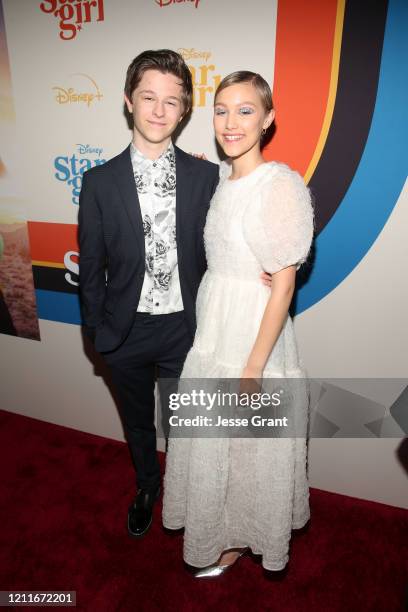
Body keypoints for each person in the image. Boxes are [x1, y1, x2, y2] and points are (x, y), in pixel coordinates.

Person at [162, 71, 314, 575]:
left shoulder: (282, 184)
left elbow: (284, 284)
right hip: (216, 327)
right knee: (218, 444)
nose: (231, 122)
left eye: (246, 110)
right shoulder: (224, 183)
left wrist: (253, 369)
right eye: (222, 110)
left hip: (254, 337)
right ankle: (224, 530)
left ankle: (246, 537)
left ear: (268, 119)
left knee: (249, 448)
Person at [78, 49, 219, 538]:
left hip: (187, 329)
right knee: (138, 424)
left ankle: (182, 494)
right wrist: (97, 329)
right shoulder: (98, 181)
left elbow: (222, 250)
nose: (159, 111)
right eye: (149, 97)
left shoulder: (206, 177)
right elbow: (90, 264)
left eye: (172, 101)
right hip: (126, 332)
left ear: (184, 111)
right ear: (128, 101)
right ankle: (146, 487)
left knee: (185, 426)